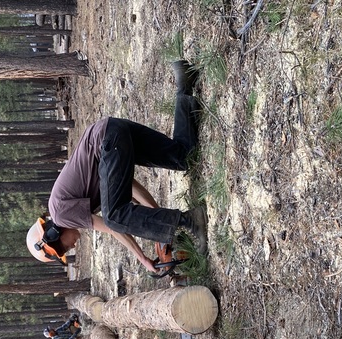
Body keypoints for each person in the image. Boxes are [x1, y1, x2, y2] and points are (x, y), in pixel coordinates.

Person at [26, 60, 207, 273]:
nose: (71, 247)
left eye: (64, 248)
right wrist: (159, 217)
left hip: (107, 141)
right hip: (112, 131)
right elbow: (129, 185)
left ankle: (191, 221)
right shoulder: (68, 205)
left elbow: (112, 226)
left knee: (113, 216)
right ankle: (185, 86)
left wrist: (142, 258)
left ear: (53, 235)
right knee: (182, 157)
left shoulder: (61, 215)